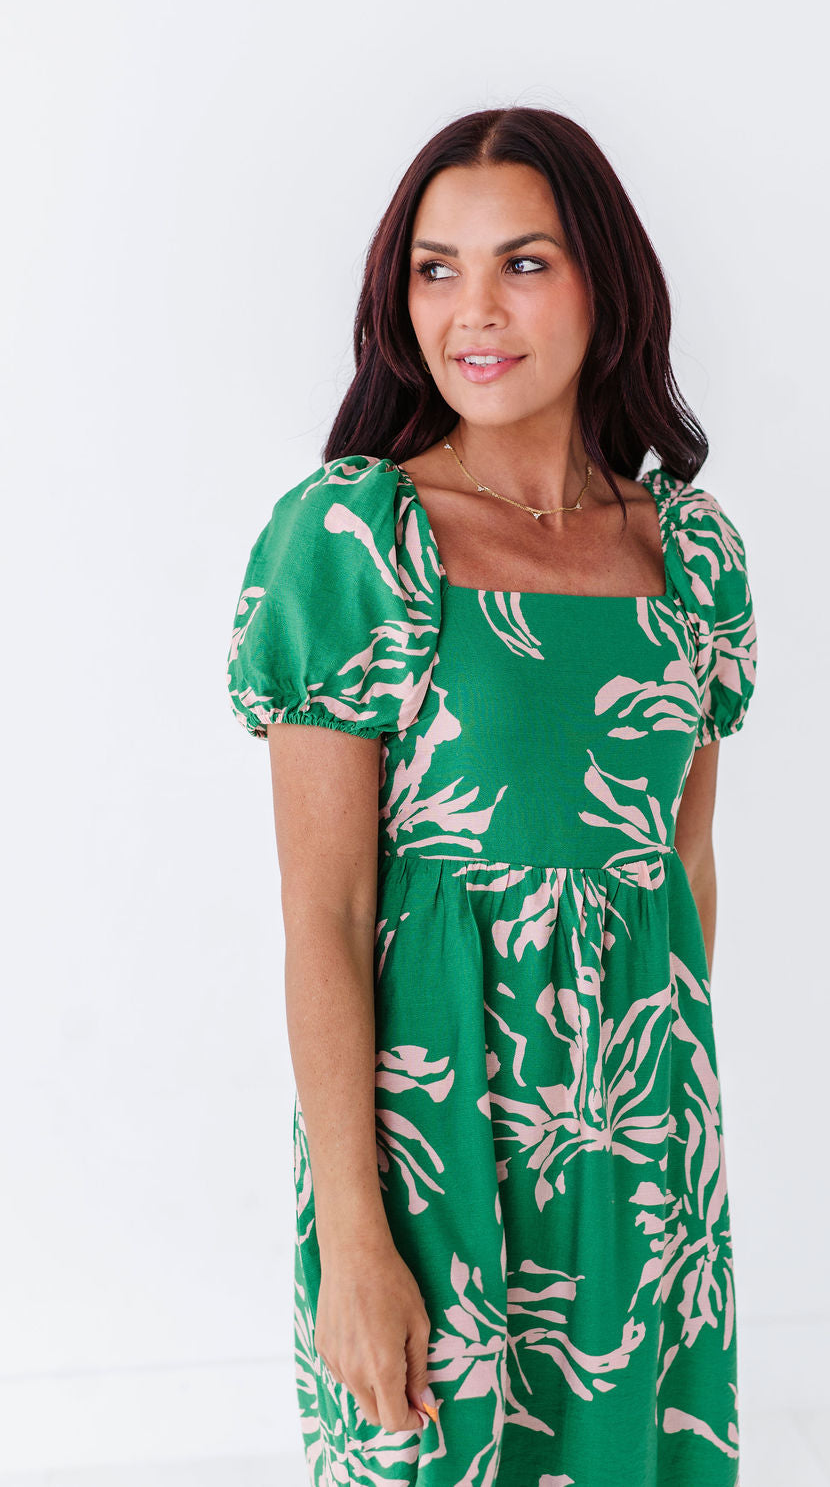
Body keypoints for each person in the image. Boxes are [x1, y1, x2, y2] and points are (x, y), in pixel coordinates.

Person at [226, 105, 758, 1487]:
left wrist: (666, 1149)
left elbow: (683, 871)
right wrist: (355, 1234)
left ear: (604, 284)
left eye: (524, 262)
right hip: (434, 1146)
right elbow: (325, 913)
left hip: (637, 1143)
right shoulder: (357, 538)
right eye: (435, 269)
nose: (475, 309)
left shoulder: (691, 556)